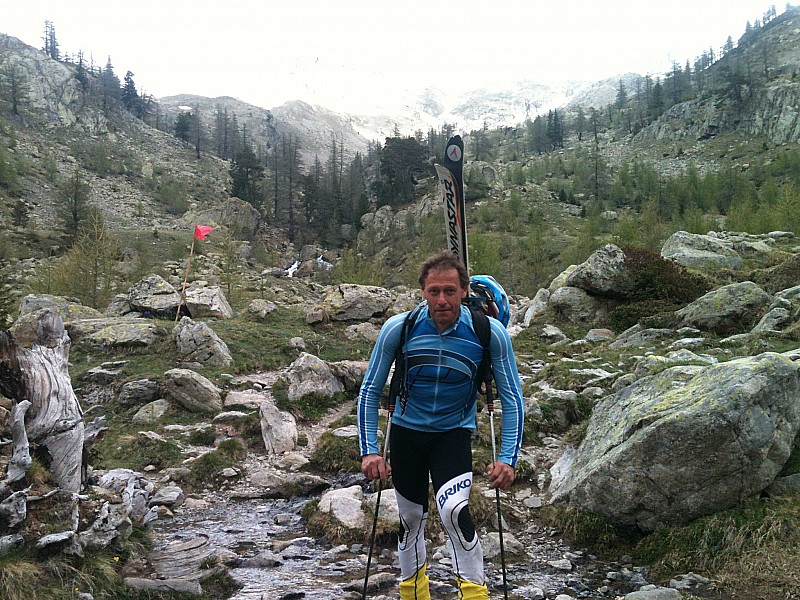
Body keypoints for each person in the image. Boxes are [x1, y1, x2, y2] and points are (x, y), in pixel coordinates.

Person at [357, 250, 524, 600]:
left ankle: (475, 595)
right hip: (406, 434)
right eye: (434, 291)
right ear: (423, 292)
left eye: (450, 291)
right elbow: (370, 389)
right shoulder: (399, 328)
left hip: (452, 433)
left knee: (454, 513)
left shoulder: (489, 333)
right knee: (411, 521)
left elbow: (512, 399)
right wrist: (370, 451)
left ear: (464, 290)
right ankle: (414, 594)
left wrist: (508, 458)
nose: (442, 300)